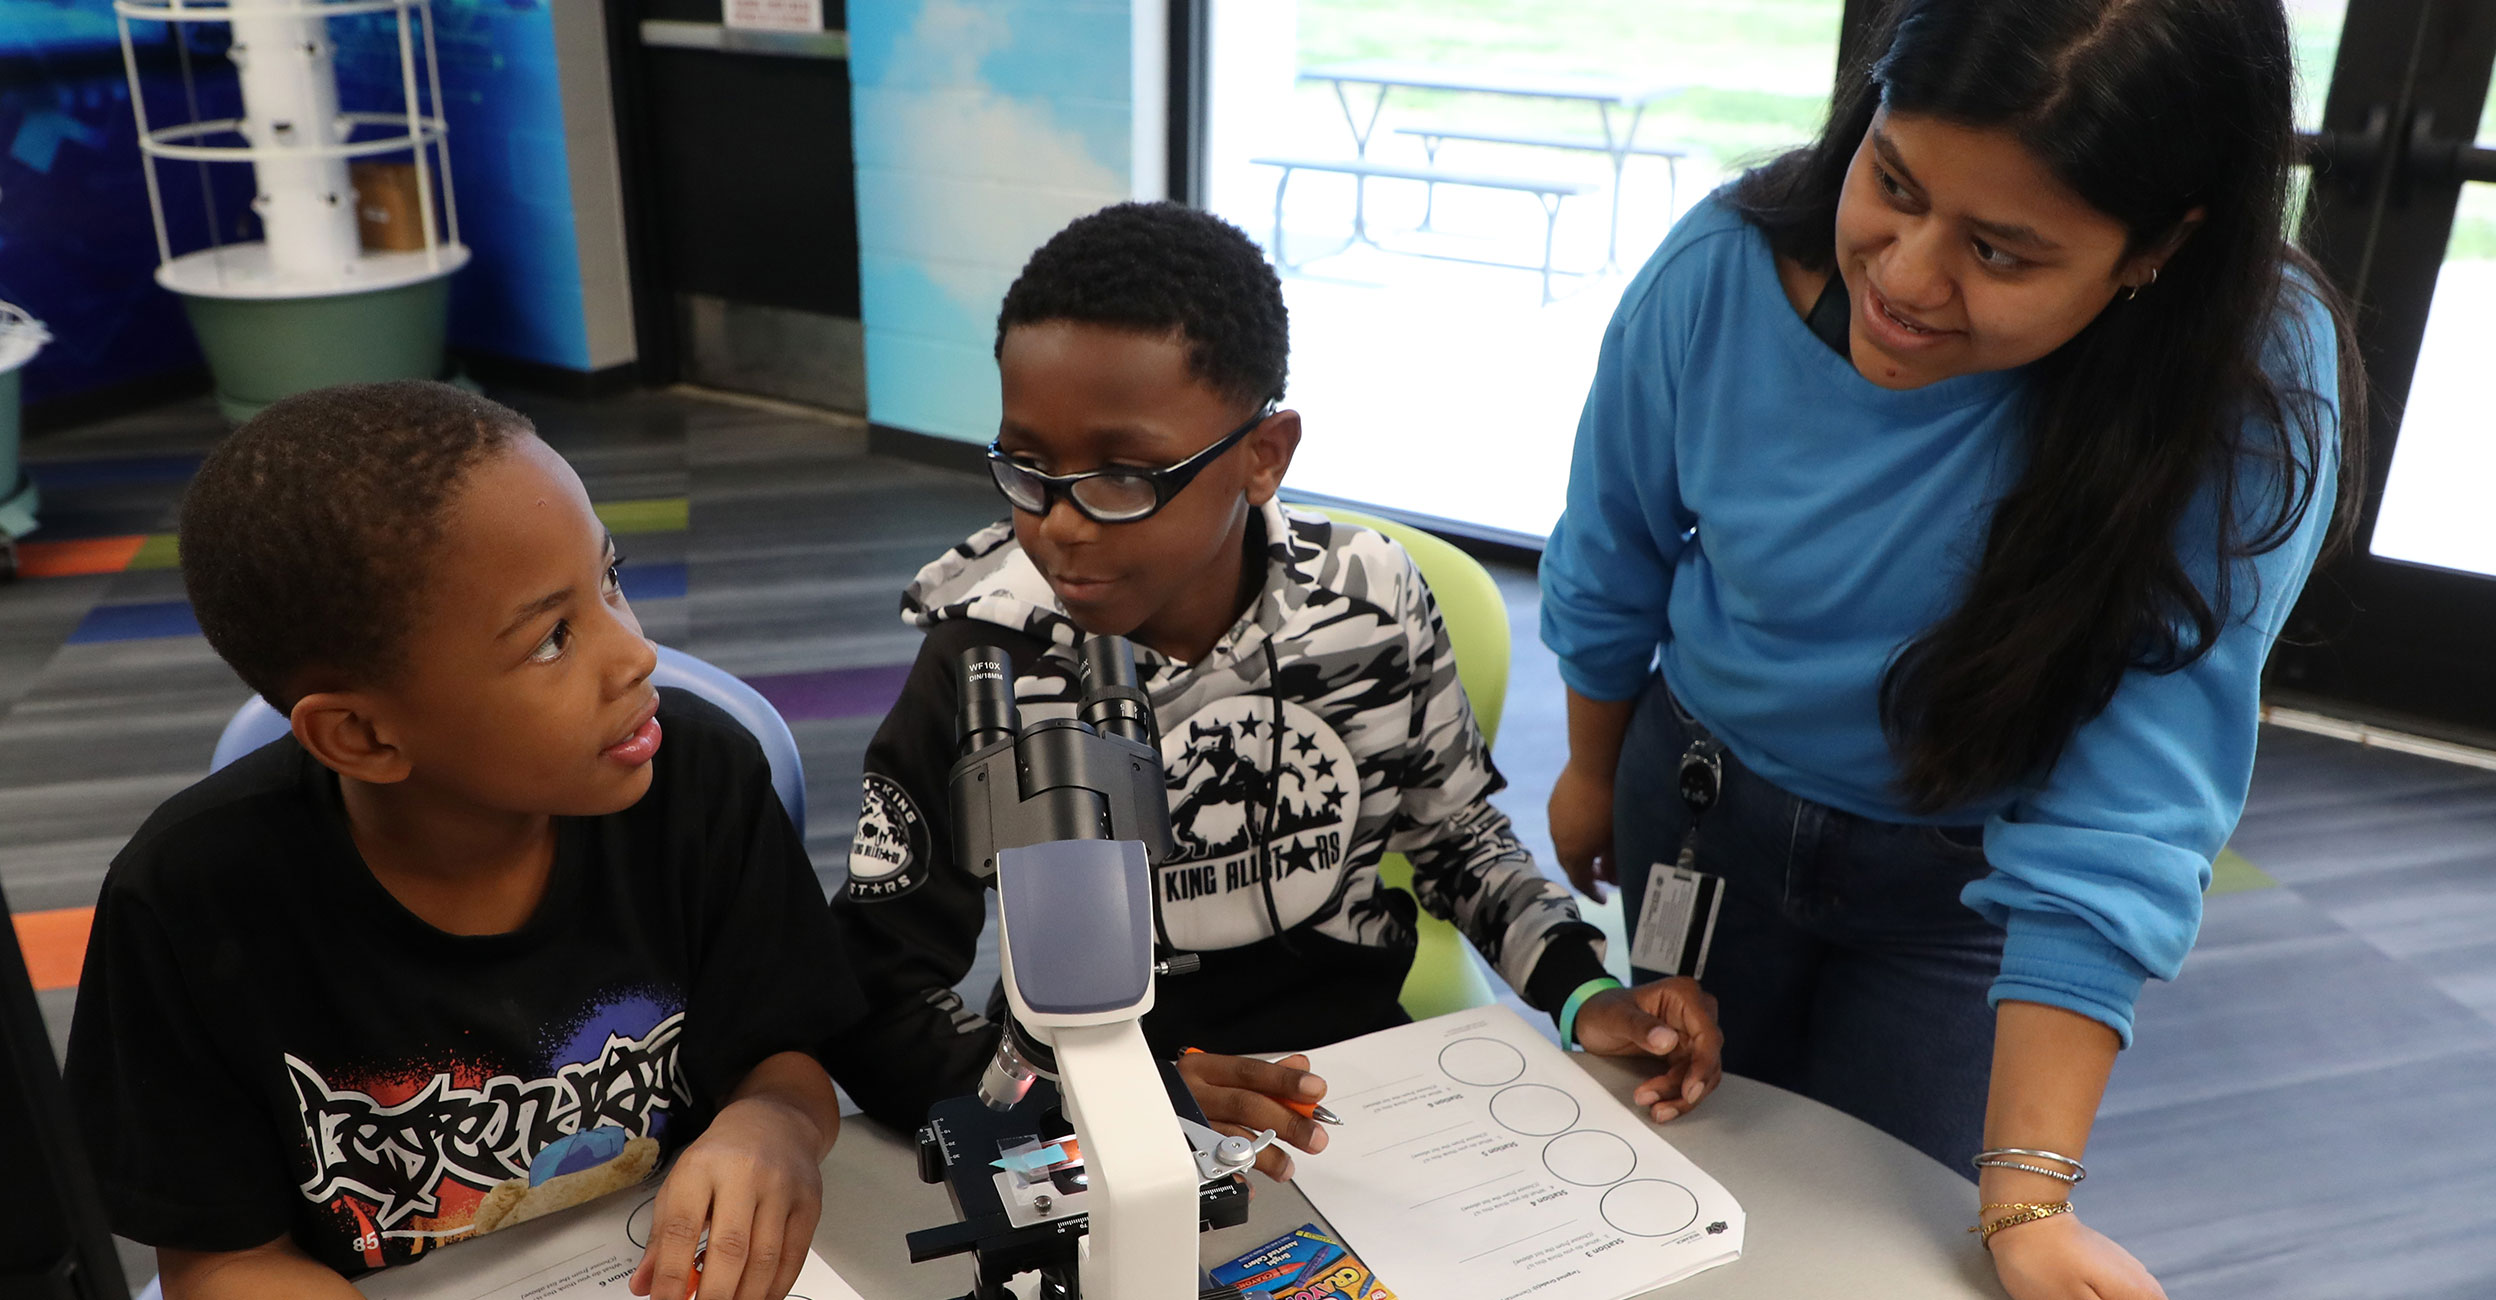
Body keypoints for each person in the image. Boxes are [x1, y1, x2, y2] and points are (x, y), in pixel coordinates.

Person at [1539, 2, 2363, 1297]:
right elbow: (1613, 542)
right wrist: (1590, 765)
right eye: (1894, 182)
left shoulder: (2245, 385)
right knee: (1676, 1176)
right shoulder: (1723, 270)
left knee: (1889, 1238)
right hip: (1701, 805)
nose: (1908, 277)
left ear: (2155, 249)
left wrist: (2029, 1206)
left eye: (2000, 249)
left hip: (1967, 882)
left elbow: (2131, 803)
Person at [830, 201, 1723, 1178]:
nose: (1061, 525)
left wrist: (1582, 994)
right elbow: (878, 983)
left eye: (1124, 474)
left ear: (1263, 456)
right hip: (1091, 1118)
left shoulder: (1369, 600)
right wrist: (1117, 1108)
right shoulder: (985, 658)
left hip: (1358, 1091)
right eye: (1028, 466)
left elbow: (1458, 845)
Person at [64, 382, 865, 1300]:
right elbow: (222, 1260)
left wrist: (773, 1126)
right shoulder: (187, 902)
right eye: (553, 638)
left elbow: (786, 1058)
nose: (635, 652)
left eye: (611, 578)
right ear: (362, 737)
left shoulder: (702, 785)